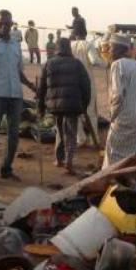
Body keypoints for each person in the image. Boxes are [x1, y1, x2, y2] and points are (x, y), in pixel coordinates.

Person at [0, 9, 37, 182]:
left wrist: (30, 85)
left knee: (13, 134)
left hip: (15, 95)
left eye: (7, 23)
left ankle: (7, 169)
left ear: (11, 25)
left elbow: (19, 71)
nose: (4, 26)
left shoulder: (15, 43)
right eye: (1, 23)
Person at [37, 38, 91, 175]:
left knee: (59, 132)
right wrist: (84, 105)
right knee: (71, 134)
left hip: (55, 105)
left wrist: (40, 108)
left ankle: (59, 159)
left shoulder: (48, 63)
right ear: (69, 49)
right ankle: (69, 161)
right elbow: (86, 86)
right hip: (73, 105)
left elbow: (41, 88)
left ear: (57, 48)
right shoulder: (77, 64)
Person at [102, 39, 136, 168]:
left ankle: (112, 180)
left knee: (113, 155)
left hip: (125, 118)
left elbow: (118, 95)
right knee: (134, 157)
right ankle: (131, 181)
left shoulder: (117, 65)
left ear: (115, 51)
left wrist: (112, 115)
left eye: (110, 49)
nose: (109, 52)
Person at [71, 36, 104, 147]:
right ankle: (93, 139)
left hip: (73, 83)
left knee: (76, 112)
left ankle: (80, 138)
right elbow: (94, 60)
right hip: (87, 82)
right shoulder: (88, 45)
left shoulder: (70, 45)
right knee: (91, 112)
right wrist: (105, 63)